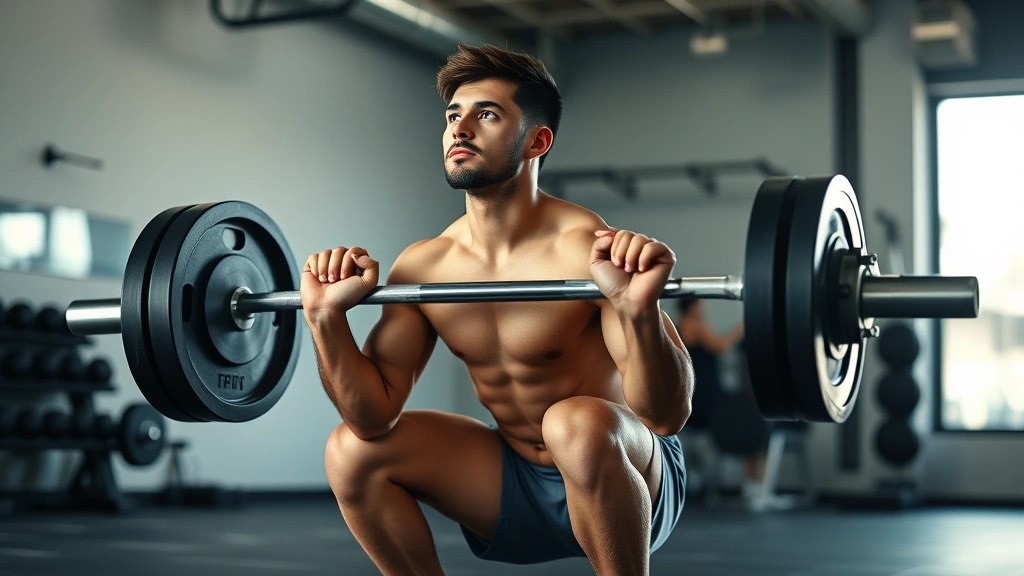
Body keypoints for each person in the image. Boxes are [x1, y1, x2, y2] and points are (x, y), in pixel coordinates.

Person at [300, 43, 693, 576]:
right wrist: (326, 321)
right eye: (452, 116)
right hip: (513, 482)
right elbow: (371, 417)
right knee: (350, 451)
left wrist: (638, 310)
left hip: (628, 478)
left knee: (574, 421)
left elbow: (665, 416)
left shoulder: (587, 249)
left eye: (486, 114)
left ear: (537, 140)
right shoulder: (425, 265)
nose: (460, 129)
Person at [674, 299, 765, 498]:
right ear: (692, 305)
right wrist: (742, 327)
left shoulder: (675, 327)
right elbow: (721, 346)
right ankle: (754, 486)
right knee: (751, 422)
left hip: (690, 397)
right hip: (708, 399)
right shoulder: (696, 326)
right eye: (700, 303)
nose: (704, 307)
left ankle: (751, 486)